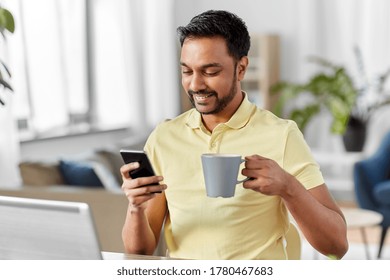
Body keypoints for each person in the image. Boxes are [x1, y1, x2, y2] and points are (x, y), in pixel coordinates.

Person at [120, 10, 348, 260]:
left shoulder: (281, 135)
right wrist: (135, 207)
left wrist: (288, 187)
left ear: (241, 68)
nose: (195, 85)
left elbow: (336, 245)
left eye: (210, 72)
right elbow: (139, 253)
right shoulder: (164, 137)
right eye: (187, 71)